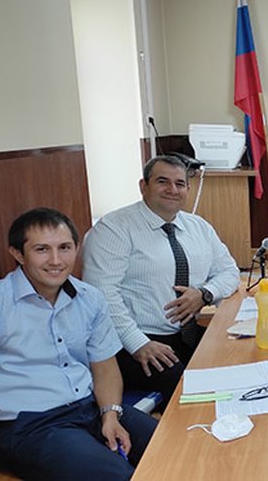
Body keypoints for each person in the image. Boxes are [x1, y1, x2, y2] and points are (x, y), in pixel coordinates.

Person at [0, 208, 157, 480]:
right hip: (32, 426)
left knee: (173, 446)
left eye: (64, 248)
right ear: (17, 253)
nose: (55, 260)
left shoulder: (90, 298)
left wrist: (111, 414)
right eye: (41, 250)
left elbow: (105, 368)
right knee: (121, 476)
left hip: (91, 408)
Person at [82, 155, 239, 402]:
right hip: (136, 342)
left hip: (188, 334)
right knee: (195, 392)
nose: (172, 190)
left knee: (236, 363)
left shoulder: (198, 227)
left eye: (179, 183)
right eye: (162, 182)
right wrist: (138, 344)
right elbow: (101, 296)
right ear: (143, 186)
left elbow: (230, 272)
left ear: (188, 189)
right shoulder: (113, 228)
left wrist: (204, 294)